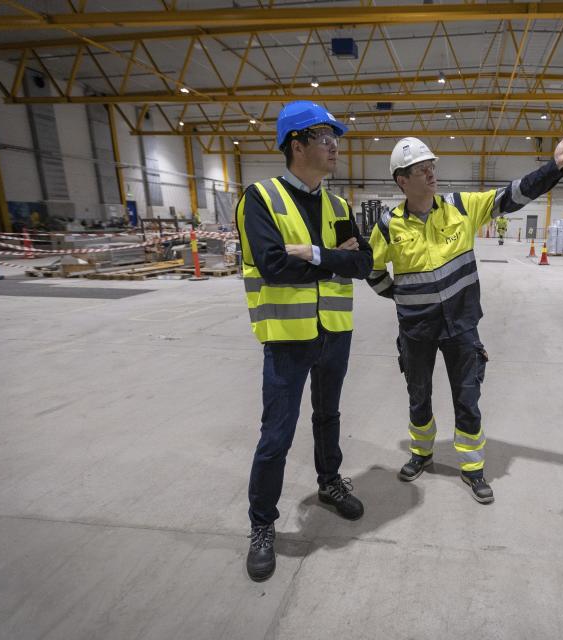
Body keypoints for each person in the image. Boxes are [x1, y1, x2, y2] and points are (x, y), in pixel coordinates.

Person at [367, 131, 563, 504]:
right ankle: (421, 453)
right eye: (420, 169)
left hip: (461, 324)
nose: (430, 172)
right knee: (418, 393)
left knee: (467, 396)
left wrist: (553, 167)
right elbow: (373, 272)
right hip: (416, 329)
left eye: (431, 165)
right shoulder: (388, 225)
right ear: (402, 180)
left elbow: (511, 196)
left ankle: (472, 468)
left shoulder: (460, 206)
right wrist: (403, 297)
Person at [236, 100, 372, 582]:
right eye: (324, 137)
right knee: (277, 434)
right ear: (296, 144)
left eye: (335, 137)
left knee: (328, 415)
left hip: (334, 333)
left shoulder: (338, 205)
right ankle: (262, 525)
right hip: (288, 337)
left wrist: (316, 253)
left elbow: (363, 264)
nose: (335, 145)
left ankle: (330, 483)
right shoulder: (261, 198)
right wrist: (335, 256)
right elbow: (272, 264)